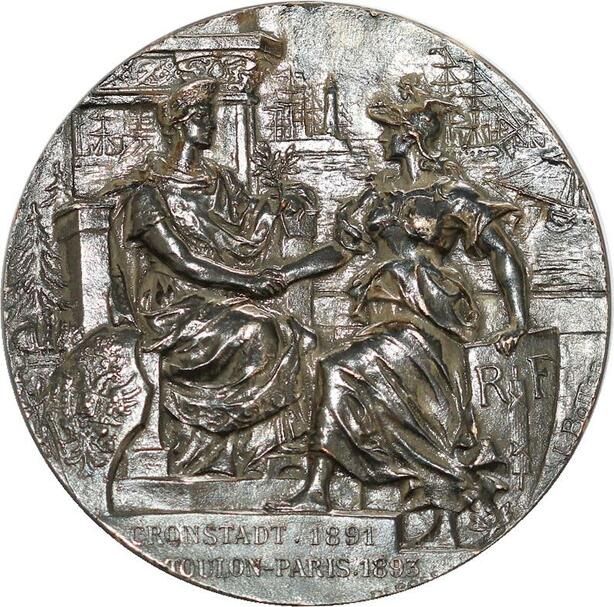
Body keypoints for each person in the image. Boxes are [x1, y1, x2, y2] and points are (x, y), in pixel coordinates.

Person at [270, 77, 530, 547]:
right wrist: (286, 274)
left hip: (428, 319)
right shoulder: (378, 194)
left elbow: (502, 253)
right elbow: (339, 249)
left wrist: (517, 319)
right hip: (385, 315)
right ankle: (325, 488)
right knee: (346, 377)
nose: (381, 139)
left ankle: (319, 489)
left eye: (388, 131)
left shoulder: (451, 196)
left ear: (409, 136)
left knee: (335, 368)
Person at [105, 79, 346, 476]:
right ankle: (210, 448)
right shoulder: (147, 196)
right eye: (202, 116)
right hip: (174, 301)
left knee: (299, 336)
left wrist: (279, 203)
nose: (211, 124)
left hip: (218, 295)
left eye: (212, 115)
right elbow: (184, 260)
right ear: (179, 124)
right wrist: (248, 283)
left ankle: (262, 444)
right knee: (258, 331)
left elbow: (246, 228)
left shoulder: (220, 182)